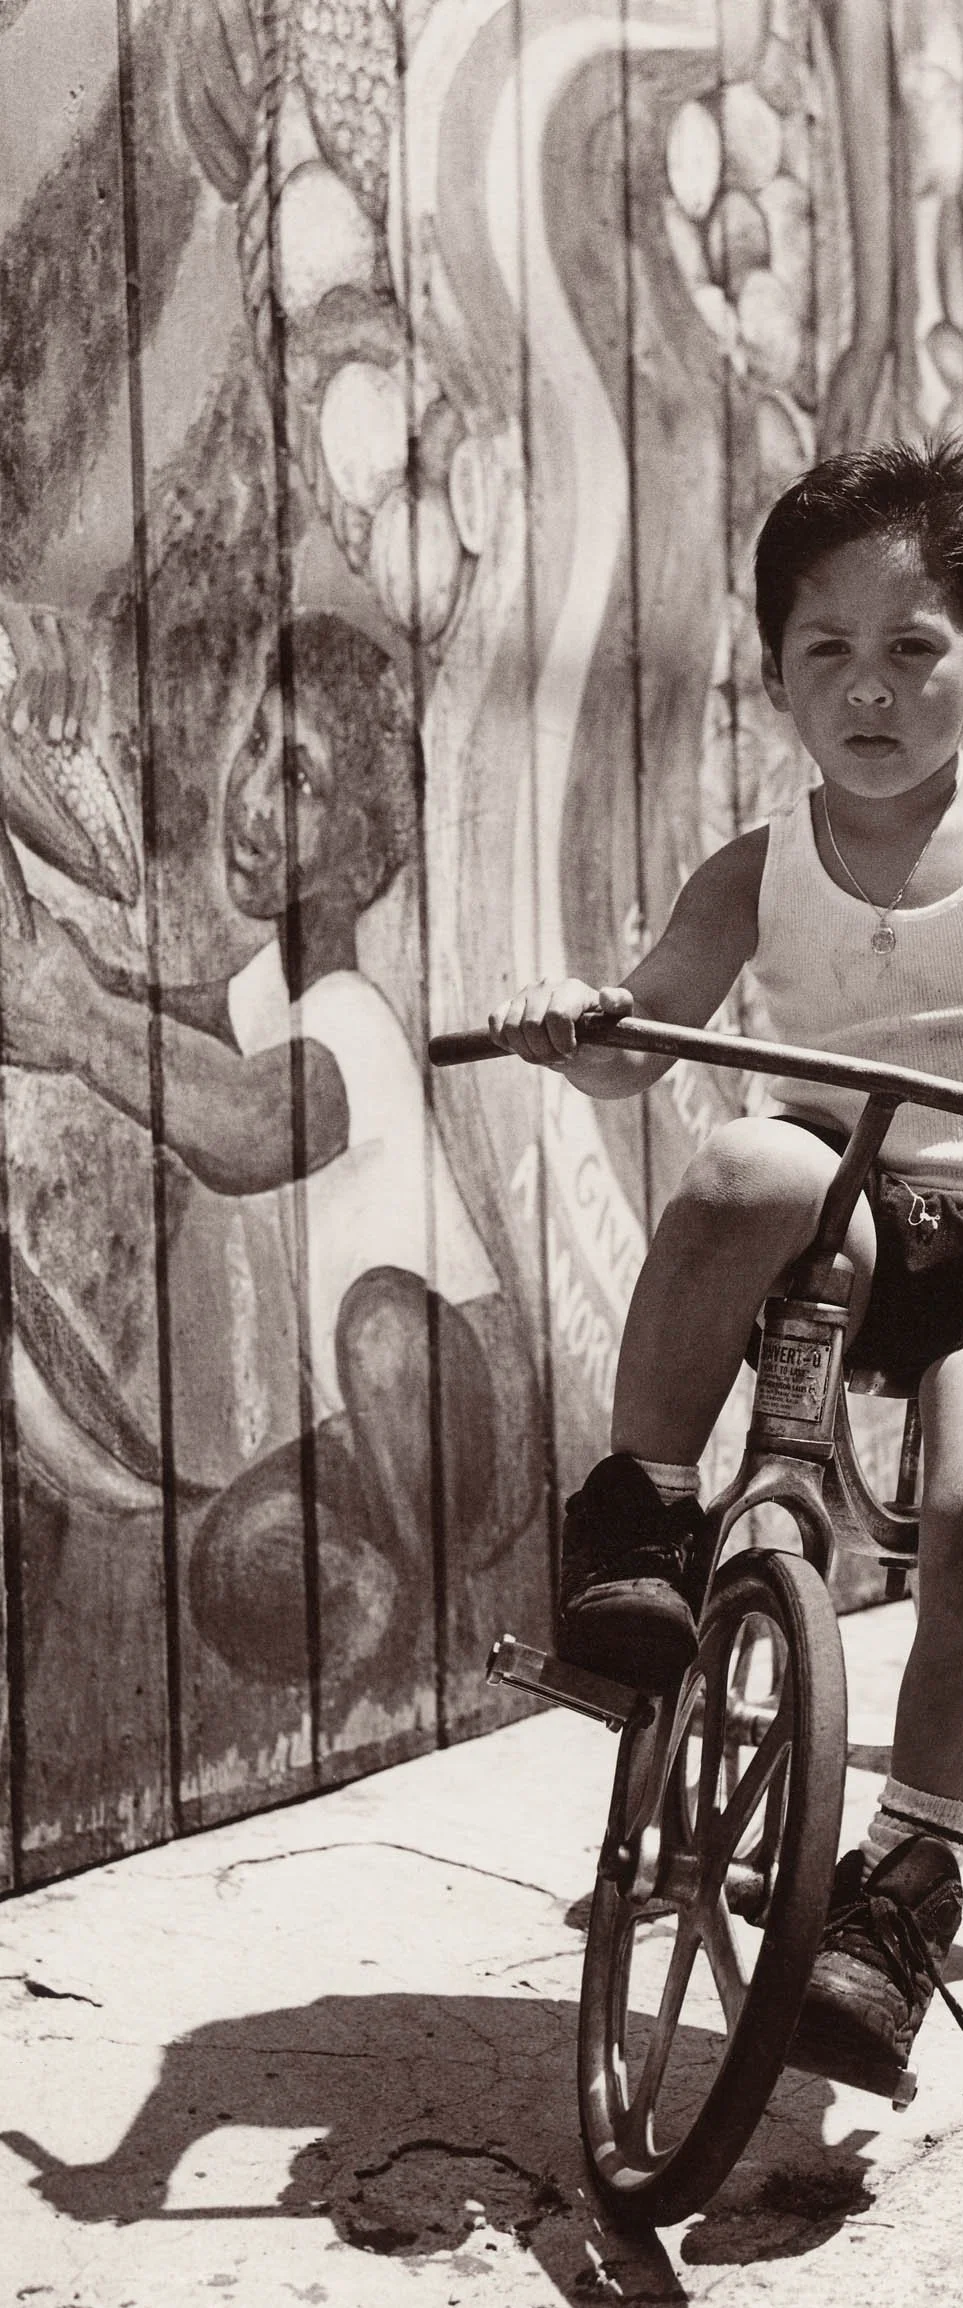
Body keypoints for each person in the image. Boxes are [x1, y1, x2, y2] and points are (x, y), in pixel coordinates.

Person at [491, 438, 963, 2085]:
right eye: (825, 650)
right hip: (838, 1218)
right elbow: (641, 1035)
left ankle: (903, 1880)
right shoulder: (755, 874)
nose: (871, 688)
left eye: (914, 647)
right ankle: (642, 1515)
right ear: (773, 678)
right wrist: (578, 1023)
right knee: (745, 1156)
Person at [0, 614, 536, 1702]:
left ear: (362, 854)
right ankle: (373, 1605)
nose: (247, 798)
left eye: (296, 779)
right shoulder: (264, 992)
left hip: (464, 1417)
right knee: (234, 1565)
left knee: (378, 1323)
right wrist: (75, 982)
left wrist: (84, 1025)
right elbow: (177, 1023)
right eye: (255, 745)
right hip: (378, 1440)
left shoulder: (351, 1021)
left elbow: (249, 1128)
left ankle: (442, 1627)